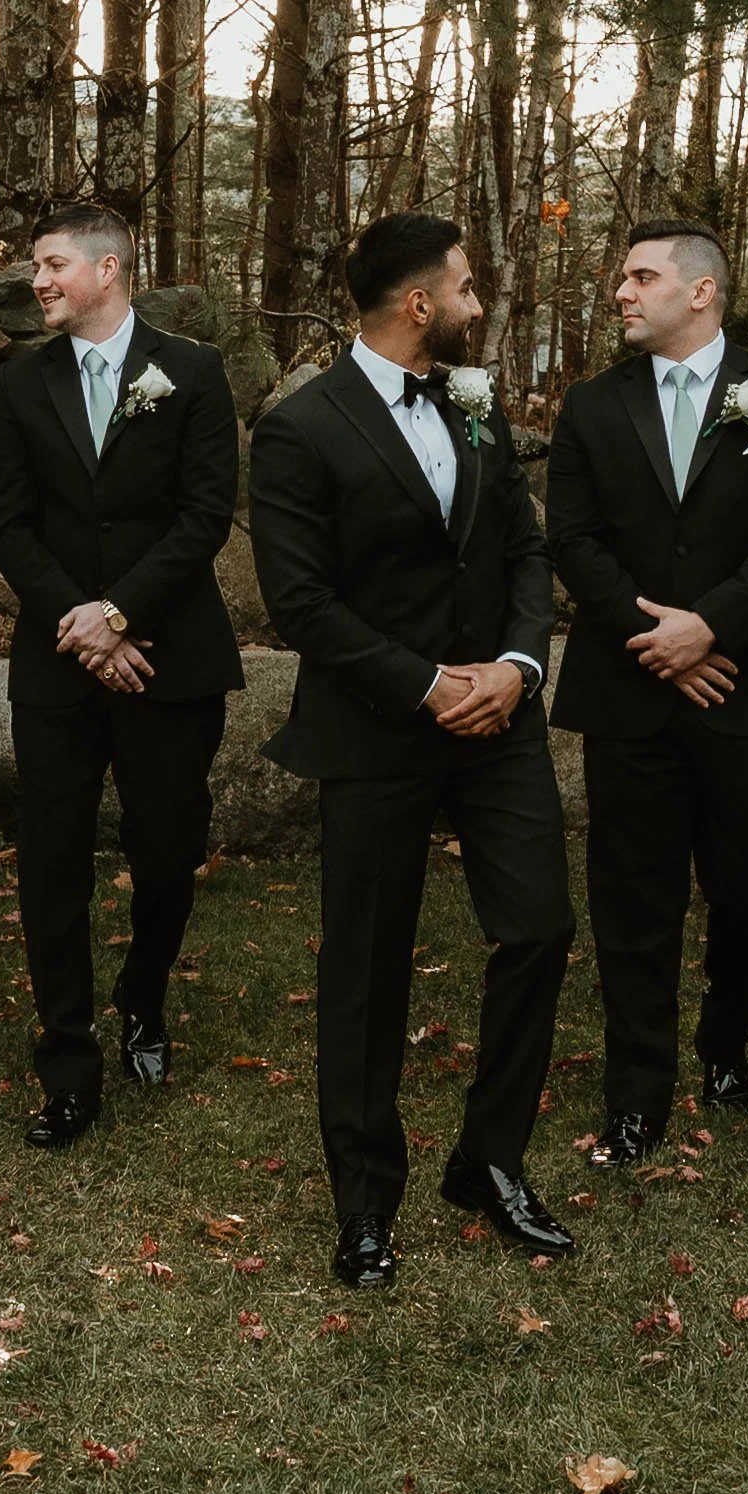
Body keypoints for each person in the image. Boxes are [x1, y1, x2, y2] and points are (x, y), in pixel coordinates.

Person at [248, 212, 575, 1288]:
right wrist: (427, 684)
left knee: (536, 929)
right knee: (366, 968)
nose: (481, 307)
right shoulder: (302, 429)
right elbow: (301, 602)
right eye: (468, 290)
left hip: (497, 726)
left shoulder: (476, 405)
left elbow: (527, 552)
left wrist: (516, 669)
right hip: (381, 730)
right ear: (420, 302)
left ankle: (488, 1163)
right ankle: (364, 1203)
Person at [546, 222, 748, 1163]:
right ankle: (637, 1090)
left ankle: (726, 1043)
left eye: (640, 278)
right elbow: (573, 539)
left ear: (702, 291)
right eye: (622, 279)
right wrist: (656, 639)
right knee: (632, 894)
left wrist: (711, 627)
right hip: (631, 689)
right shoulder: (593, 406)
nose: (622, 294)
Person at [0, 200, 244, 1146]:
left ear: (108, 269)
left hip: (170, 661)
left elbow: (205, 514)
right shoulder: (19, 380)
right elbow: (7, 521)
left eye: (52, 264)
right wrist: (81, 625)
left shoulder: (195, 372)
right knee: (51, 861)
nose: (39, 282)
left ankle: (144, 998)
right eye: (35, 267)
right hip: (58, 667)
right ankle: (67, 1062)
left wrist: (122, 613)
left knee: (167, 850)